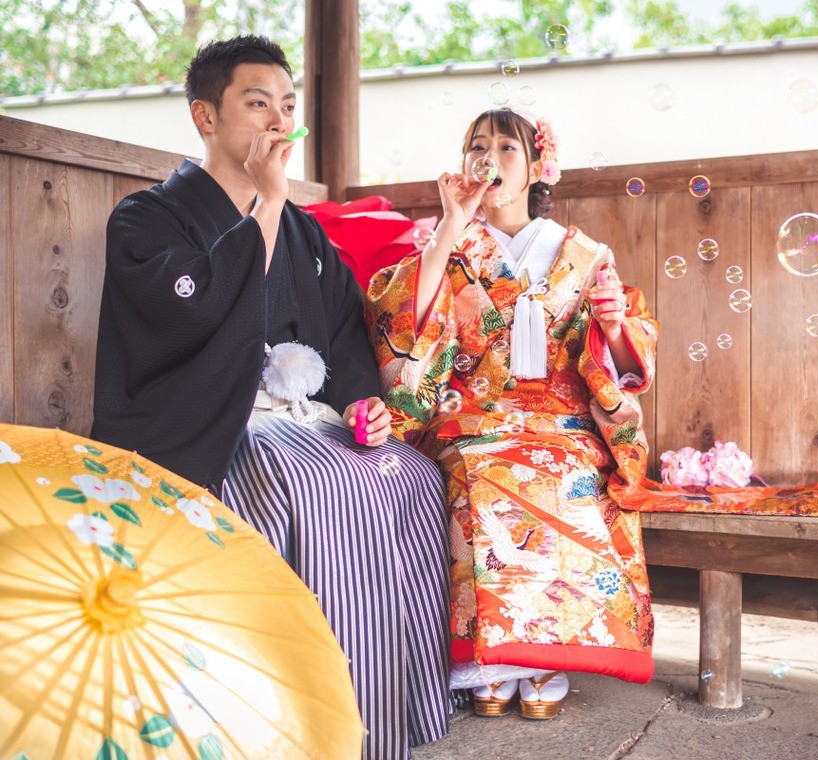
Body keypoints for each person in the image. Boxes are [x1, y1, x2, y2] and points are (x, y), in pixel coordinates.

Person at [91, 36, 450, 758]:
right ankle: (299, 722)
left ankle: (384, 715)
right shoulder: (145, 219)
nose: (279, 121)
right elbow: (185, 315)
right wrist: (269, 204)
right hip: (210, 421)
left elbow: (343, 337)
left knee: (412, 475)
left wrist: (361, 404)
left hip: (304, 414)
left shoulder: (305, 237)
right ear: (207, 117)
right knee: (312, 483)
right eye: (258, 105)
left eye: (288, 106)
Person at [364, 109, 658, 719]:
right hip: (470, 415)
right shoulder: (452, 243)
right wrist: (450, 225)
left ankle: (542, 653)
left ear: (538, 166)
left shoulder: (583, 255)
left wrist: (611, 325)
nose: (490, 158)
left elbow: (624, 362)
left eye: (506, 146)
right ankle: (487, 655)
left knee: (562, 471)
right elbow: (402, 323)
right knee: (479, 473)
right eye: (477, 146)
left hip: (564, 418)